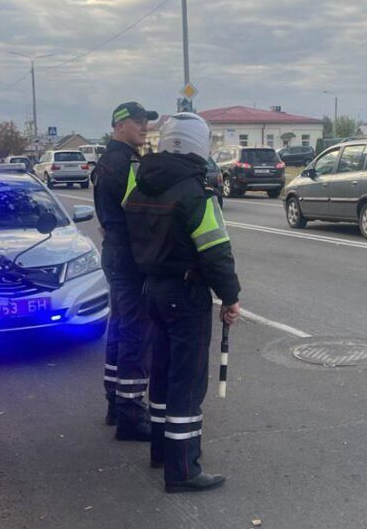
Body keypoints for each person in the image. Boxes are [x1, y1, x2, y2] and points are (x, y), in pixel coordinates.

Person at [124, 112, 242, 493]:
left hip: (151, 291)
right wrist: (230, 296)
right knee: (187, 382)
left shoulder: (140, 186)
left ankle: (161, 451)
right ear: (199, 145)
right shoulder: (195, 193)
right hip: (185, 295)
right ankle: (183, 470)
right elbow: (216, 252)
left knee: (161, 372)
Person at [93, 101, 158, 441]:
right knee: (136, 331)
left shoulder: (107, 160)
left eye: (146, 121)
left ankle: (114, 402)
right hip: (131, 255)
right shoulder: (128, 163)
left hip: (115, 251)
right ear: (119, 126)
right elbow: (143, 213)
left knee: (118, 327)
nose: (144, 127)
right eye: (137, 121)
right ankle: (131, 412)